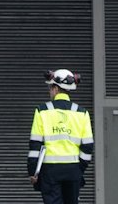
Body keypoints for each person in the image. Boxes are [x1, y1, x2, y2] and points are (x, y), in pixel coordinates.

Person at [27, 69, 94, 204]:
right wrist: (79, 169)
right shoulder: (82, 113)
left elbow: (35, 145)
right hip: (73, 170)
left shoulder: (42, 111)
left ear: (56, 88)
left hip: (50, 171)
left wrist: (33, 171)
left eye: (50, 87)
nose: (49, 91)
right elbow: (87, 146)